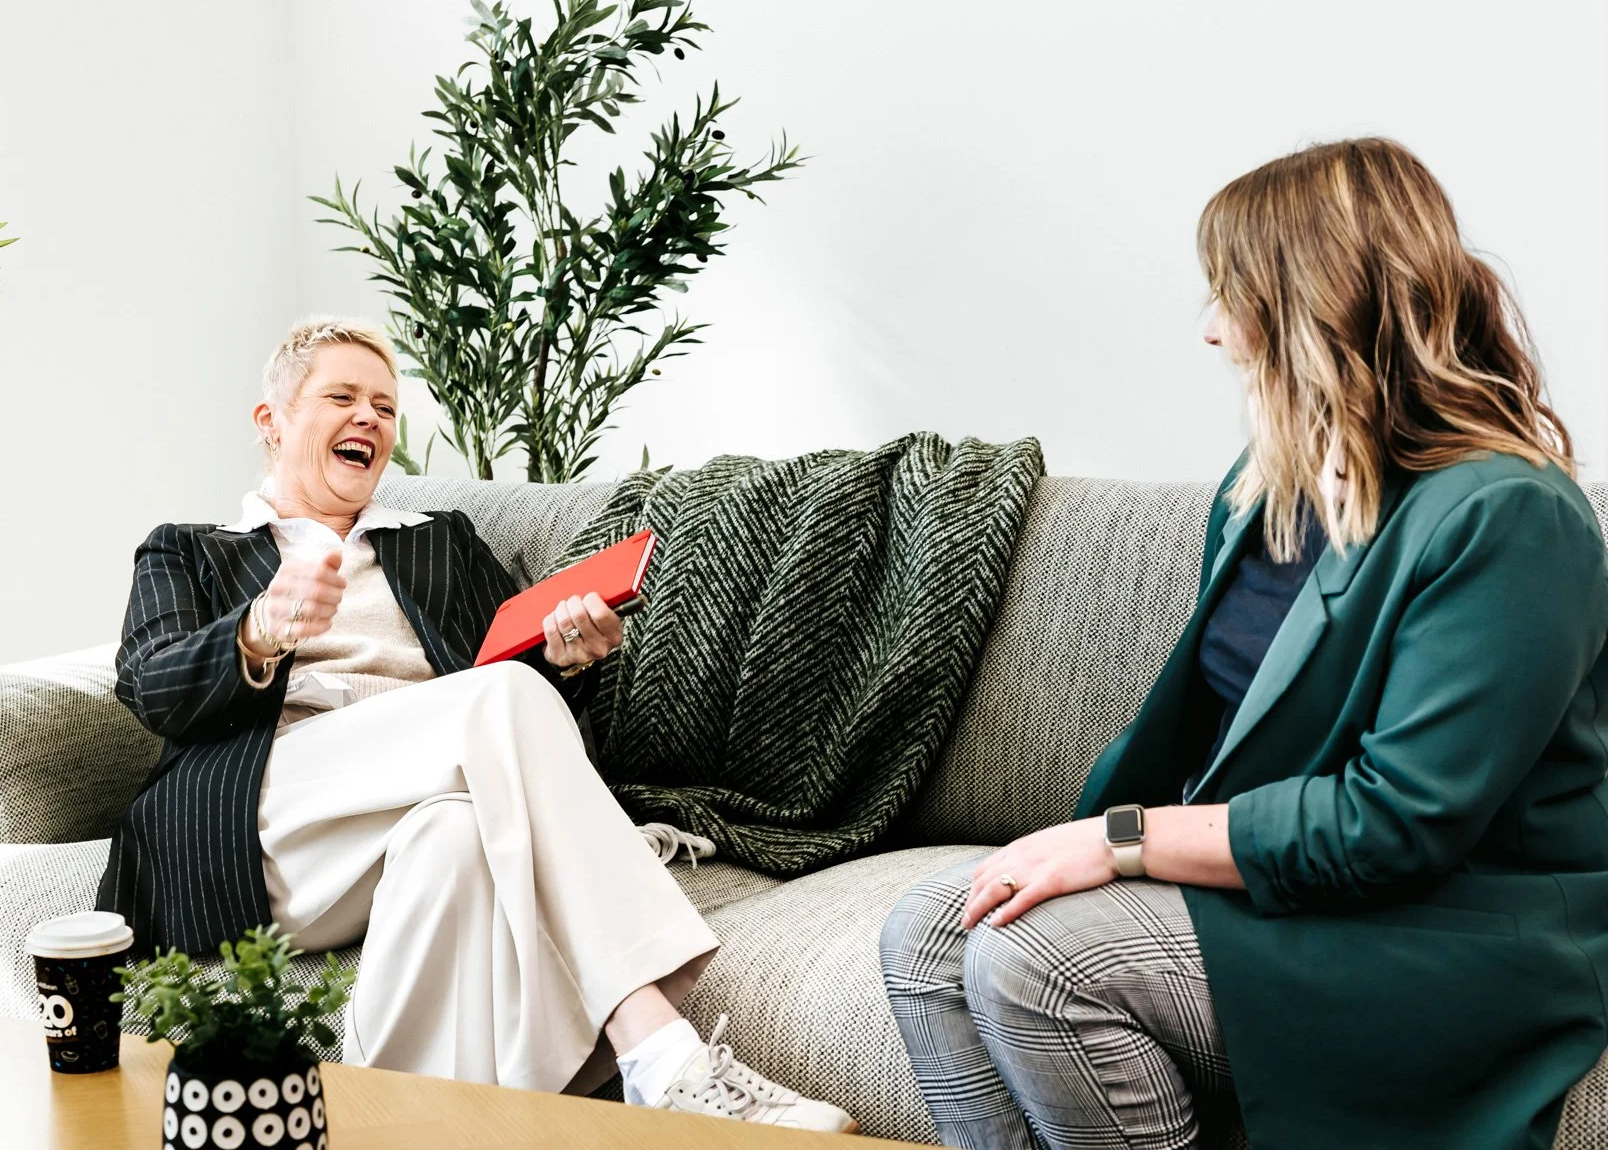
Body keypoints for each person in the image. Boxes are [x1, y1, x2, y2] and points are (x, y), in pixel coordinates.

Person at [878, 138, 1608, 1149]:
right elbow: (1212, 738)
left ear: (1313, 311)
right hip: (1291, 891)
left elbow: (1392, 826)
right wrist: (1099, 844)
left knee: (1037, 962)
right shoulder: (1266, 489)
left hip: (1450, 928)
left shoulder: (1511, 519)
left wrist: (1120, 841)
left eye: (1230, 295)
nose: (1214, 333)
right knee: (927, 934)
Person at [96, 317, 854, 1131]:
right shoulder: (193, 551)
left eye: (385, 408)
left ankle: (404, 1122)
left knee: (458, 839)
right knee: (496, 700)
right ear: (271, 421)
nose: (370, 420)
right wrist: (259, 628)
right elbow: (150, 687)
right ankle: (661, 1052)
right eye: (342, 397)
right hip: (270, 828)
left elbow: (516, 688)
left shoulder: (440, 544)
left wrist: (567, 659)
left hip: (412, 811)